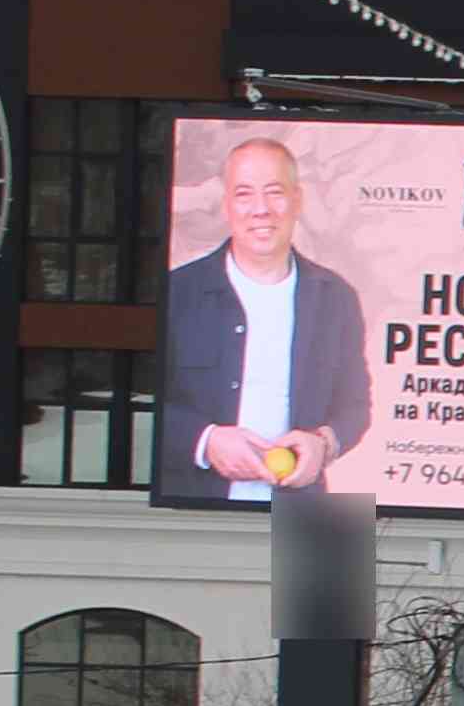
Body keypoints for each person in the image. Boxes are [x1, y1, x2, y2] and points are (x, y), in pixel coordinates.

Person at [155, 136, 373, 507]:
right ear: (226, 205)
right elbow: (145, 401)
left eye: (275, 192)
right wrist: (205, 440)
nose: (261, 209)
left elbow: (356, 407)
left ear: (298, 200)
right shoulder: (177, 292)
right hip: (190, 509)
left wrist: (323, 443)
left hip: (306, 511)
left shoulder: (337, 297)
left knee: (336, 568)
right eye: (244, 194)